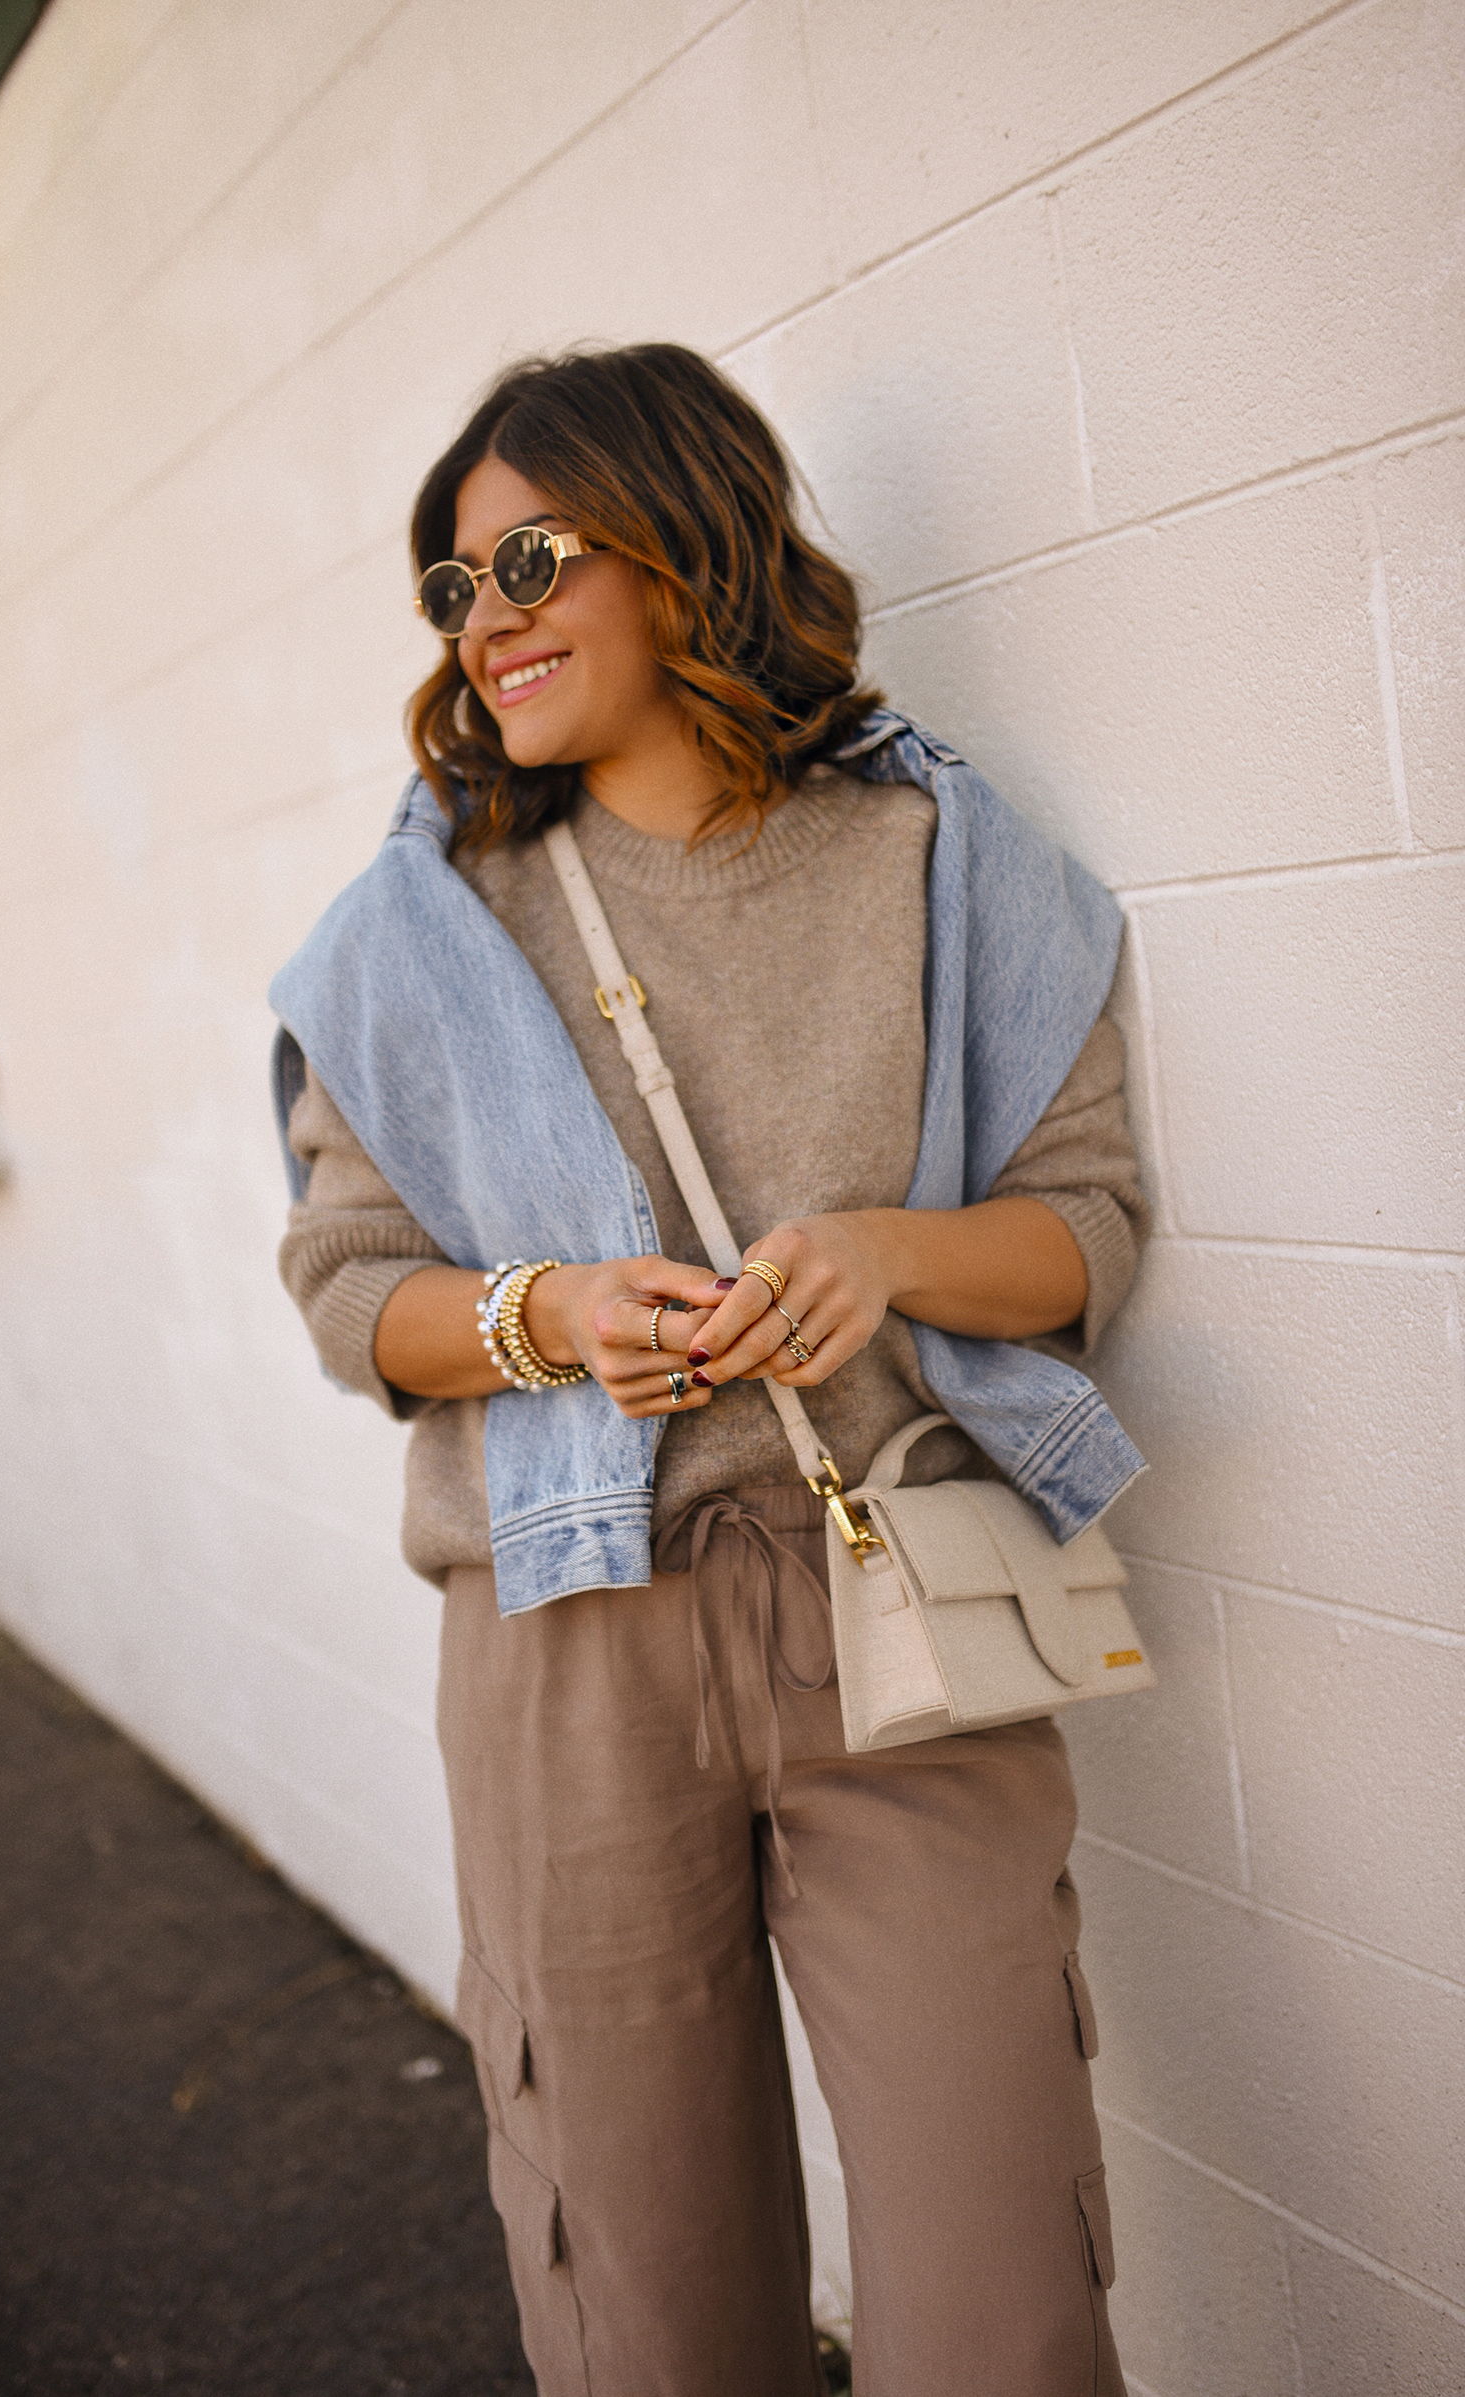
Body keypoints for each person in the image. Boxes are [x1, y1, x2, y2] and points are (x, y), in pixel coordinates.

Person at [270, 344, 1148, 2397]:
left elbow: (1083, 1223)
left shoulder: (937, 861)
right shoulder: (419, 930)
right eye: (450, 587)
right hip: (569, 1630)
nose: (483, 621)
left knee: (997, 2276)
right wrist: (544, 1316)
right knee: (645, 2299)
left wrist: (882, 1258)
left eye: (529, 560)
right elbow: (342, 1283)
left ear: (682, 546)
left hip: (902, 1602)